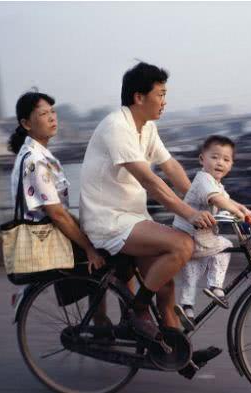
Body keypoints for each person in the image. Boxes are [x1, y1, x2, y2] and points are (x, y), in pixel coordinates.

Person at [79, 62, 220, 376]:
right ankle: (136, 312)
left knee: (165, 284)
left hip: (131, 217)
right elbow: (152, 182)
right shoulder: (117, 126)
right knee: (182, 245)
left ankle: (179, 354)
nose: (165, 101)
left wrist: (206, 199)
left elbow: (171, 170)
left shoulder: (148, 128)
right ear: (139, 97)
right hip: (108, 220)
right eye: (161, 94)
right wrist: (190, 214)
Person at [8, 92, 108, 319]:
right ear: (26, 123)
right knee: (105, 255)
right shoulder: (35, 161)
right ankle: (100, 321)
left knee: (102, 246)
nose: (52, 117)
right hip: (45, 238)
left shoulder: (39, 154)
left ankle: (100, 320)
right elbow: (56, 214)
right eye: (43, 114)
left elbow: (59, 211)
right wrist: (89, 248)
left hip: (50, 232)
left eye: (53, 111)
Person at [173, 136, 251, 324]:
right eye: (215, 157)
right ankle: (216, 287)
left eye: (226, 159)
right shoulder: (204, 181)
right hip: (193, 238)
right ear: (202, 159)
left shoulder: (215, 184)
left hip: (189, 239)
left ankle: (187, 309)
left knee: (192, 271)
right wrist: (237, 212)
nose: (220, 162)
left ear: (231, 164)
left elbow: (226, 199)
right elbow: (218, 200)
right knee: (225, 246)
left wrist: (242, 208)